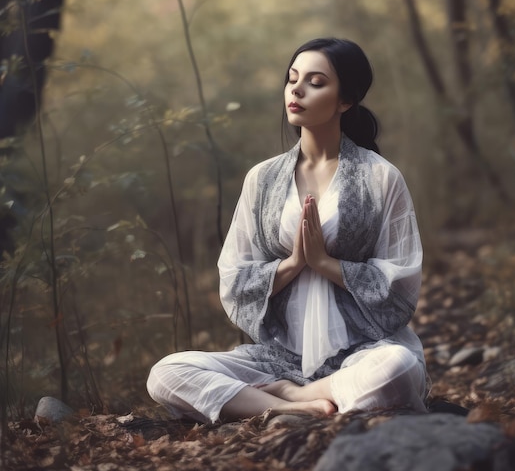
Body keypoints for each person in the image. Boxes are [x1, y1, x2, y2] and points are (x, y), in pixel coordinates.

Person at [147, 38, 429, 423]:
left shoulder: (380, 177)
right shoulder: (261, 179)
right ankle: (293, 405)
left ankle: (301, 396)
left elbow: (400, 281)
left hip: (362, 350)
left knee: (398, 369)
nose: (296, 90)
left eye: (315, 82)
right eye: (292, 79)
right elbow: (235, 276)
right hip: (278, 357)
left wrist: (326, 264)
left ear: (345, 100)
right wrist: (294, 263)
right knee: (166, 374)